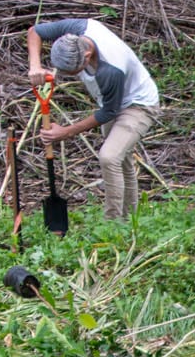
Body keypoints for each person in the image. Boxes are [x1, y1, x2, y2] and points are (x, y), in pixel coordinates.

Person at [28, 16, 161, 218]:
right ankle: (131, 219)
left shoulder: (111, 70)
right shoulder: (77, 29)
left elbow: (109, 112)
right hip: (114, 101)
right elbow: (35, 31)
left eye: (74, 72)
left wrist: (65, 132)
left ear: (87, 55)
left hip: (139, 105)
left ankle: (113, 223)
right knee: (120, 159)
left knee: (110, 157)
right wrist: (35, 66)